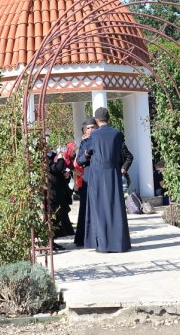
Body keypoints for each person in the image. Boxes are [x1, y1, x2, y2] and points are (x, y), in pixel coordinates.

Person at [76, 108, 132, 253]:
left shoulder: (94, 136)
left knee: (100, 210)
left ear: (96, 120)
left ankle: (103, 244)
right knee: (116, 208)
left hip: (98, 176)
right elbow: (124, 154)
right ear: (109, 118)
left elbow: (83, 157)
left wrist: (88, 152)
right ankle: (119, 244)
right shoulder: (117, 133)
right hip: (113, 174)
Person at [72, 122, 93, 247]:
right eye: (88, 128)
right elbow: (79, 161)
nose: (91, 130)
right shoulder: (84, 143)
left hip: (98, 178)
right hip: (87, 179)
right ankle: (82, 238)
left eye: (93, 127)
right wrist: (86, 155)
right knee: (84, 208)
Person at [46, 149, 73, 239]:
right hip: (50, 189)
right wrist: (61, 159)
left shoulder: (53, 154)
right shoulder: (42, 157)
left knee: (60, 211)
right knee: (53, 213)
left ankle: (56, 237)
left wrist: (66, 174)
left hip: (59, 188)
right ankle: (52, 239)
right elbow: (56, 168)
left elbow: (61, 168)